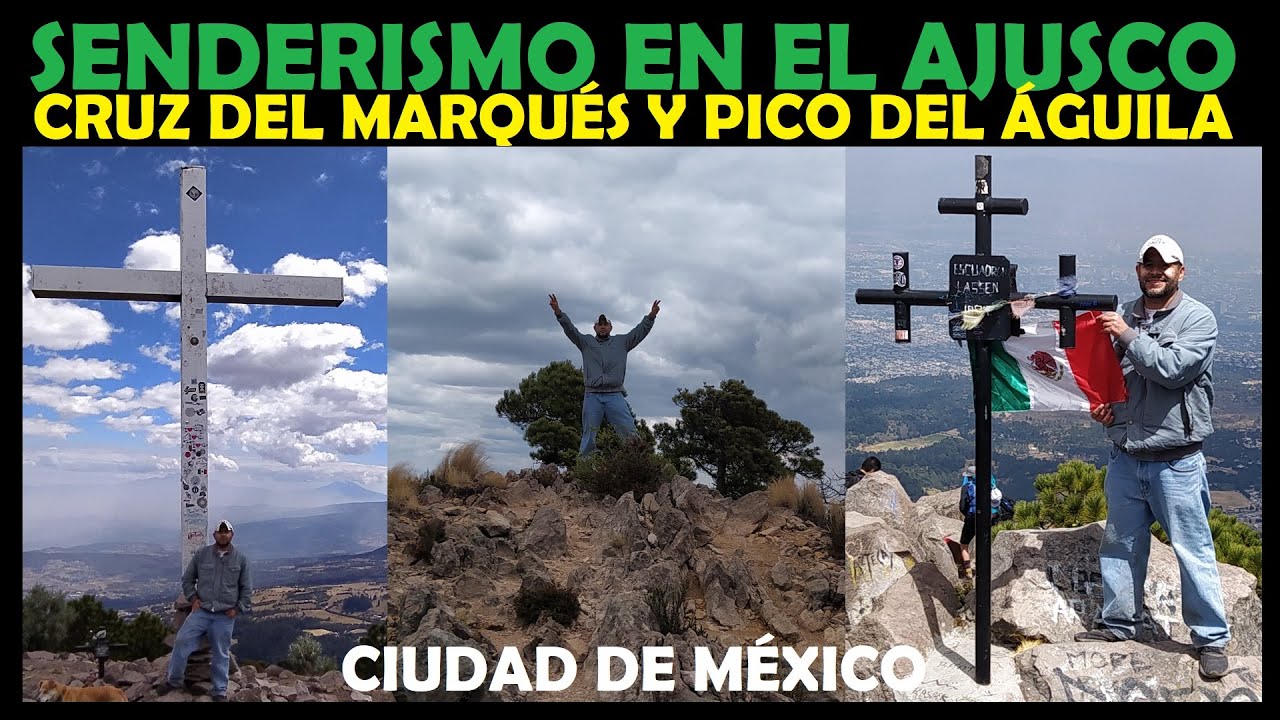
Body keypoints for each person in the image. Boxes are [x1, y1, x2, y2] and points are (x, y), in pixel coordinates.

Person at [1073, 234, 1230, 682]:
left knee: (1192, 549)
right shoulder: (1125, 316)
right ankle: (1119, 624)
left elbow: (1173, 370)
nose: (1155, 272)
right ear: (1138, 269)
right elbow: (1116, 379)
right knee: (1120, 545)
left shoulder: (1197, 318)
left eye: (1165, 265)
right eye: (1148, 264)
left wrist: (1127, 335)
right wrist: (1107, 412)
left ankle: (1210, 638)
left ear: (1181, 271)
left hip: (1176, 461)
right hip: (1126, 455)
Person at [550, 293, 660, 457]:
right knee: (589, 436)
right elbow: (570, 330)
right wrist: (558, 312)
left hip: (615, 395)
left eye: (605, 324)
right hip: (592, 396)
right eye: (599, 324)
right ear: (595, 328)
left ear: (610, 327)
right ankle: (585, 470)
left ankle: (639, 463)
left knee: (628, 430)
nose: (602, 327)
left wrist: (651, 316)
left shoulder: (622, 342)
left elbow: (639, 332)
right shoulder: (586, 342)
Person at [158, 519, 253, 701]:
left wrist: (238, 609)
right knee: (181, 641)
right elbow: (187, 579)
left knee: (221, 653)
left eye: (227, 532)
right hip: (201, 611)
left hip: (224, 615)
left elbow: (246, 588)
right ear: (214, 534)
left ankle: (219, 691)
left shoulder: (241, 560)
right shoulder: (202, 555)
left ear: (231, 535)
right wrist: (193, 598)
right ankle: (174, 680)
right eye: (220, 532)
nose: (223, 535)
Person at [944, 465, 1012, 578]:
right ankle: (987, 566)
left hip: (972, 517)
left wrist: (968, 515)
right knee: (986, 542)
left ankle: (968, 571)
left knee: (964, 544)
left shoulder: (966, 487)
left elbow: (962, 506)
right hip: (989, 517)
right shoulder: (988, 485)